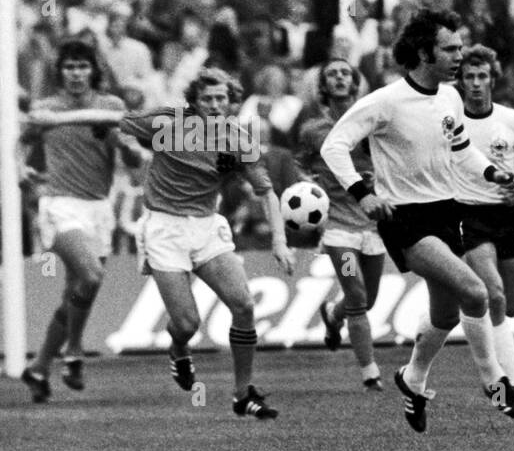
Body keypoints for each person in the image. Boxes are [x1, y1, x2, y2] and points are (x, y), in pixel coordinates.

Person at [319, 9, 514, 433]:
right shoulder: (385, 102)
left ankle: (412, 380)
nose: (459, 57)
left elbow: (462, 150)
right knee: (475, 291)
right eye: (450, 49)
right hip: (405, 217)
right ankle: (497, 386)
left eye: (461, 48)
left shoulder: (449, 98)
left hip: (447, 211)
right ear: (423, 52)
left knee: (446, 316)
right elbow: (333, 146)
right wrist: (364, 194)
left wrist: (493, 172)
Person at [118, 66, 294, 417]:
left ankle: (243, 394)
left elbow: (267, 193)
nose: (215, 105)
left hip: (207, 227)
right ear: (194, 102)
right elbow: (119, 121)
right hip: (164, 229)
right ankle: (179, 349)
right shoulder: (169, 125)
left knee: (243, 305)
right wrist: (52, 121)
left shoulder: (238, 139)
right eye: (207, 99)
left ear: (231, 102)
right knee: (186, 324)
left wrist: (279, 240)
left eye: (221, 99)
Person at [19, 41, 133, 402]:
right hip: (60, 205)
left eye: (82, 67)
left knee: (75, 294)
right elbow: (21, 141)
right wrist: (21, 164)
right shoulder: (45, 108)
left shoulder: (111, 106)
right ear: (60, 72)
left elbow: (128, 153)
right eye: (69, 67)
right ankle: (74, 352)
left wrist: (127, 147)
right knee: (91, 276)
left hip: (99, 208)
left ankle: (38, 368)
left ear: (93, 70)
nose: (76, 74)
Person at [454, 44, 514, 416]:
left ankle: (434, 319)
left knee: (510, 304)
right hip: (467, 216)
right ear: (461, 82)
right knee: (492, 295)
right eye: (469, 77)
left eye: (482, 76)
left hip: (506, 217)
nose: (476, 84)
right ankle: (509, 384)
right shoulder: (451, 123)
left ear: (493, 79)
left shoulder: (512, 120)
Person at [297, 58, 385, 391]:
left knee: (369, 298)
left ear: (354, 81)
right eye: (331, 73)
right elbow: (299, 165)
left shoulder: (372, 121)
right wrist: (308, 187)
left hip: (373, 224)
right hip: (338, 229)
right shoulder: (312, 129)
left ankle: (334, 317)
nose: (338, 78)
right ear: (324, 85)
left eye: (344, 73)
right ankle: (370, 373)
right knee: (357, 294)